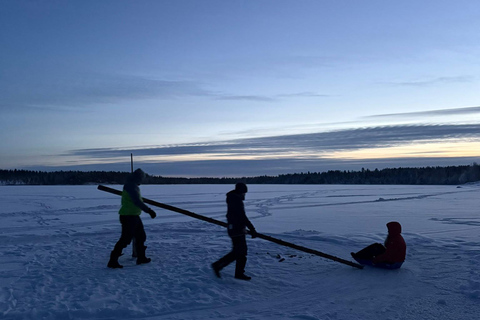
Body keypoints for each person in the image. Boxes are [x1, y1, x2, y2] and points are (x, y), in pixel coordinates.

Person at [107, 168, 157, 268]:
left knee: (141, 236)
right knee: (125, 239)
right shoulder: (131, 186)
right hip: (128, 216)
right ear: (138, 178)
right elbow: (136, 201)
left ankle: (141, 258)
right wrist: (149, 210)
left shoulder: (132, 185)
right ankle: (113, 260)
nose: (142, 181)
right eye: (142, 178)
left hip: (133, 215)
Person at [212, 182, 258, 280]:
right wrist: (252, 229)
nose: (245, 194)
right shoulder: (236, 200)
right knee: (239, 252)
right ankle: (219, 266)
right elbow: (242, 216)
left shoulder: (233, 198)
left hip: (236, 228)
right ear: (241, 191)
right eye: (244, 192)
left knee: (239, 252)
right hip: (236, 230)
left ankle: (237, 272)